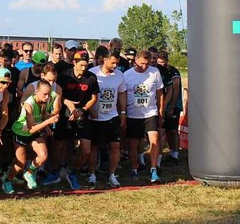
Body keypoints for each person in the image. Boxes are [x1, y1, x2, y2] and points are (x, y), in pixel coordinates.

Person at [3, 81, 59, 193]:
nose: (47, 97)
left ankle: (29, 173)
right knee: (20, 164)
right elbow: (31, 129)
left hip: (35, 130)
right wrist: (48, 121)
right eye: (44, 94)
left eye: (49, 94)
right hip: (22, 132)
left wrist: (46, 124)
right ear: (36, 92)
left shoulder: (47, 99)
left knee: (43, 156)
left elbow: (42, 114)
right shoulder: (29, 104)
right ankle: (7, 180)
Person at [53, 50, 98, 189]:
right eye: (81, 65)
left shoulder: (91, 77)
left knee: (86, 149)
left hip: (82, 114)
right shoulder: (64, 76)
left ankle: (73, 171)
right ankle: (58, 169)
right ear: (74, 62)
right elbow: (57, 94)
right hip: (65, 113)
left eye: (86, 65)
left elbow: (94, 98)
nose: (84, 68)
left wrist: (83, 109)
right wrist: (68, 104)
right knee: (60, 143)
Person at [123, 49, 164, 183]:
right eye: (141, 63)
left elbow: (160, 92)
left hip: (150, 112)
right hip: (133, 113)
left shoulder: (155, 72)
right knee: (133, 143)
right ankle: (134, 169)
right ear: (136, 61)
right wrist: (123, 112)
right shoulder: (127, 75)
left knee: (154, 139)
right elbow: (122, 94)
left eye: (147, 64)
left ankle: (153, 169)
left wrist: (161, 110)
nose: (144, 66)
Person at [88, 53, 126, 187]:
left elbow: (122, 93)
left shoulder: (119, 75)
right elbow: (86, 93)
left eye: (117, 63)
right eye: (113, 63)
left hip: (112, 116)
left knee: (115, 146)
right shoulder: (92, 73)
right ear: (104, 60)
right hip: (95, 117)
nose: (115, 66)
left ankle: (112, 174)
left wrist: (122, 112)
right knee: (94, 146)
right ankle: (92, 174)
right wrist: (90, 110)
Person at [156, 51, 183, 162]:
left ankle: (175, 154)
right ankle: (170, 151)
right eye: (159, 62)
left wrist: (172, 106)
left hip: (174, 105)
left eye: (163, 62)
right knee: (165, 130)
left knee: (173, 130)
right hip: (164, 105)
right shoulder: (158, 71)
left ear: (167, 61)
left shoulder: (173, 71)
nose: (161, 64)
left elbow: (175, 90)